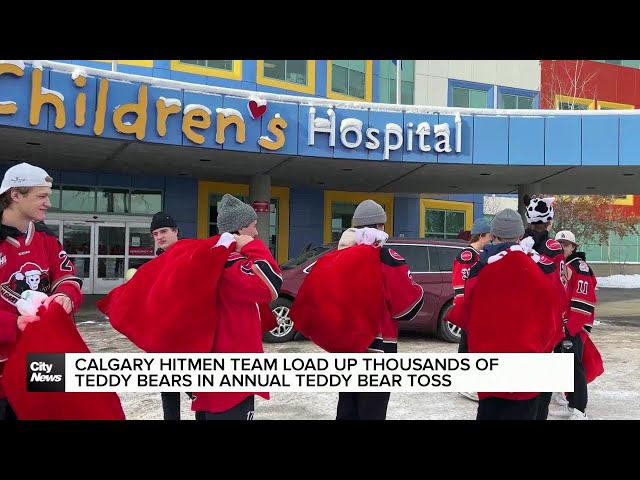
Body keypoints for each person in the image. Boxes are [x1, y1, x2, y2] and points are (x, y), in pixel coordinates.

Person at [290, 199, 424, 420]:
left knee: (347, 407)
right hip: (379, 349)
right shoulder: (386, 257)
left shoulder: (337, 256)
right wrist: (416, 289)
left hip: (347, 347)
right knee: (372, 411)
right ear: (380, 226)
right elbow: (405, 309)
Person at [463, 209, 565, 420]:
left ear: (492, 235)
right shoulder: (542, 266)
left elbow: (468, 315)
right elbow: (556, 312)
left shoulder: (480, 267)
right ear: (520, 235)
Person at [0, 162, 83, 420]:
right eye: (41, 196)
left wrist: (65, 296)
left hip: (44, 359)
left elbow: (66, 276)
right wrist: (14, 323)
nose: (48, 202)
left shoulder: (46, 238)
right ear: (15, 195)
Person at [190, 194, 282, 420]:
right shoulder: (230, 265)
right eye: (253, 227)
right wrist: (253, 247)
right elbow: (271, 285)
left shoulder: (212, 260)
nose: (257, 233)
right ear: (240, 231)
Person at [521, 195, 571, 420]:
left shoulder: (517, 244)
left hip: (518, 319)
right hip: (543, 322)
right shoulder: (553, 248)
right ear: (549, 221)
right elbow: (560, 289)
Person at [553, 230, 603, 420]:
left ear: (574, 247)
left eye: (566, 244)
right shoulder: (562, 264)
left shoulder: (579, 267)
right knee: (563, 366)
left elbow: (584, 300)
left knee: (574, 367)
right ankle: (570, 404)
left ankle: (580, 410)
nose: (562, 247)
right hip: (561, 326)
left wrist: (570, 327)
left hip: (573, 326)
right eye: (559, 244)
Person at [148, 211, 193, 421]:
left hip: (188, 338)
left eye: (164, 231)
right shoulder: (157, 261)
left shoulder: (190, 254)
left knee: (197, 393)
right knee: (168, 392)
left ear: (176, 231)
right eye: (155, 233)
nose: (159, 237)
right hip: (165, 337)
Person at [450, 217, 493, 402]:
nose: (491, 240)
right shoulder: (467, 256)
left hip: (479, 311)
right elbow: (461, 288)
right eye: (490, 237)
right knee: (468, 348)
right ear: (482, 235)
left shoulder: (480, 256)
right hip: (470, 311)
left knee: (473, 347)